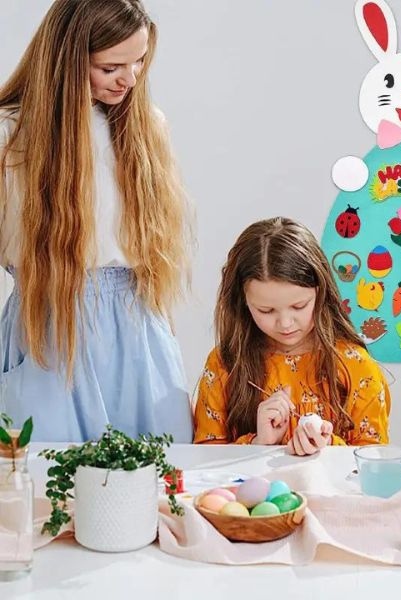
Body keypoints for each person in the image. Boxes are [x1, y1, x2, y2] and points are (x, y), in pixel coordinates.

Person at [0, 0, 193, 442]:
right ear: (67, 59)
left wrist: (166, 345)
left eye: (139, 61)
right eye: (110, 68)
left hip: (136, 324)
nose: (131, 79)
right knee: (46, 470)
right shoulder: (12, 134)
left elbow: (151, 253)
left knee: (155, 468)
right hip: (48, 323)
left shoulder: (145, 127)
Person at [193, 217, 390, 455]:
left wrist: (328, 446)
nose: (285, 323)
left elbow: (374, 458)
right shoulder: (225, 363)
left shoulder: (354, 365)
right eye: (266, 310)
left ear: (321, 292)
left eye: (299, 306)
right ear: (243, 302)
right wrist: (258, 443)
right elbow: (204, 457)